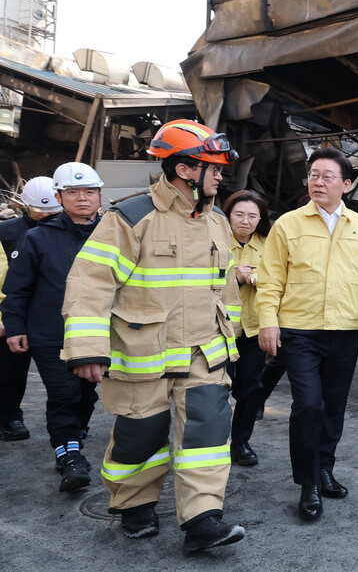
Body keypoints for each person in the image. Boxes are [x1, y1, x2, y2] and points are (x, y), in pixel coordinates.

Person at [62, 119, 246, 553]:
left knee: (207, 436)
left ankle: (203, 519)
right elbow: (90, 284)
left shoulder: (217, 220)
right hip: (144, 354)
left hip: (204, 356)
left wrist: (231, 342)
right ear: (185, 169)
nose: (220, 176)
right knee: (140, 435)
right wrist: (87, 349)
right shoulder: (130, 218)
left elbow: (228, 290)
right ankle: (134, 504)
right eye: (213, 168)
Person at [256, 147, 358, 522]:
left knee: (334, 406)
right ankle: (308, 484)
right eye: (313, 175)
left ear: (346, 185)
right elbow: (270, 279)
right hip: (299, 331)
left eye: (327, 176)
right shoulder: (288, 224)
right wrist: (268, 320)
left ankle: (324, 469)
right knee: (308, 405)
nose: (318, 182)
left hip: (344, 330)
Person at [1, 163, 103, 492]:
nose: (82, 198)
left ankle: (74, 437)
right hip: (49, 332)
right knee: (64, 393)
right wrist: (14, 325)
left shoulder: (114, 235)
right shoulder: (37, 238)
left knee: (86, 393)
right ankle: (69, 457)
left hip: (99, 334)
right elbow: (18, 287)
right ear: (60, 197)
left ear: (100, 196)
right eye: (73, 192)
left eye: (89, 191)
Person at [0, 176, 60, 441]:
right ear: (23, 206)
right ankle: (9, 416)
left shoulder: (71, 231)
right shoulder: (7, 232)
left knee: (64, 377)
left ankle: (71, 424)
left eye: (51, 211)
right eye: (39, 210)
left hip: (52, 312)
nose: (45, 215)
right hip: (15, 312)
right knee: (10, 372)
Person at [222, 190, 271, 467]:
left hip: (254, 328)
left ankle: (240, 442)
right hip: (220, 329)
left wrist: (255, 275)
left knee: (250, 389)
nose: (245, 221)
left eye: (253, 216)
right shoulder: (215, 241)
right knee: (216, 388)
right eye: (239, 214)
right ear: (228, 215)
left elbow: (280, 273)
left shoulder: (269, 243)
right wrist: (235, 277)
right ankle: (214, 441)